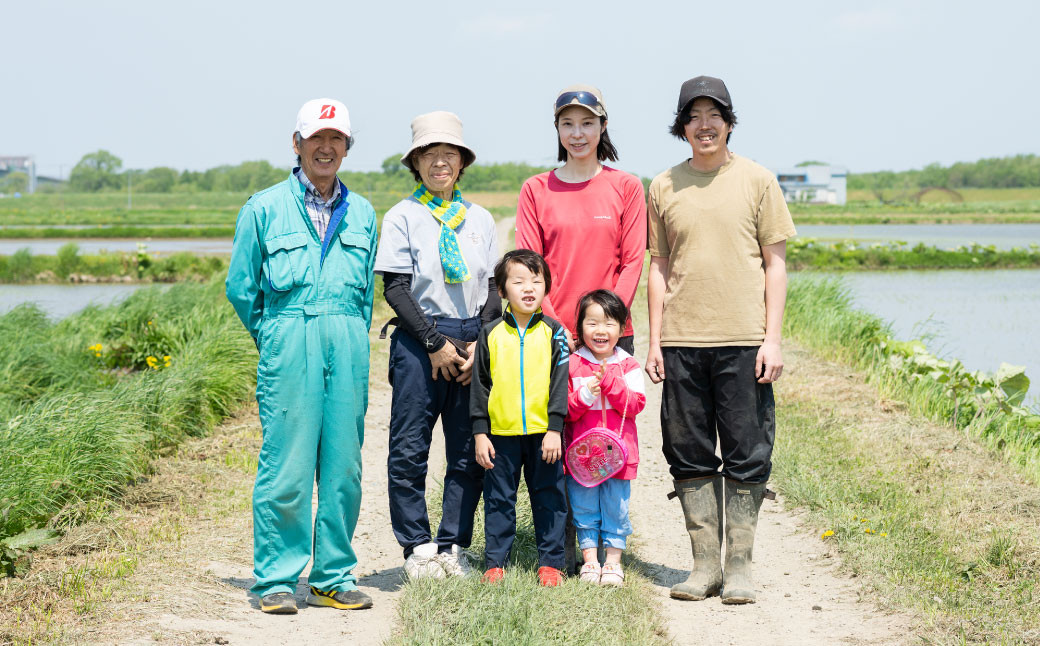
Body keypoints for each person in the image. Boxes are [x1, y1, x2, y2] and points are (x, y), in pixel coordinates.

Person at [644, 76, 796, 604]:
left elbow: (776, 266)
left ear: (729, 122)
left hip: (743, 340)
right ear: (682, 126)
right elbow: (658, 267)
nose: (704, 125)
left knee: (748, 451)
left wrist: (772, 339)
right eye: (694, 116)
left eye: (714, 115)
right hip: (683, 339)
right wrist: (654, 340)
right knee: (686, 450)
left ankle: (739, 567)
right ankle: (704, 565)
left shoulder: (758, 181)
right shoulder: (663, 185)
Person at [226, 98, 377, 614]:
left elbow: (364, 296)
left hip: (348, 342)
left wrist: (352, 337)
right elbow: (241, 287)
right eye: (316, 138)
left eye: (336, 139)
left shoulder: (362, 212)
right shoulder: (264, 207)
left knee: (344, 465)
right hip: (290, 339)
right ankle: (275, 579)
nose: (326, 147)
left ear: (347, 148)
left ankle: (333, 575)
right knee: (286, 465)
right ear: (297, 144)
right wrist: (272, 336)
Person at [375, 111, 500, 578]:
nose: (440, 163)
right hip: (418, 342)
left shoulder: (480, 219)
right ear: (416, 163)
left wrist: (476, 348)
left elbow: (491, 287)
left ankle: (453, 544)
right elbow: (395, 287)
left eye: (449, 154)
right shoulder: (403, 217)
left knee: (468, 449)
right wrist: (434, 342)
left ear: (462, 162)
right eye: (430, 155)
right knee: (409, 447)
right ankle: (418, 547)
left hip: (471, 339)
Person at [515, 84, 646, 354]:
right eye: (567, 124)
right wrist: (554, 324)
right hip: (552, 333)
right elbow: (530, 267)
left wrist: (607, 323)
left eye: (587, 123)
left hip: (611, 334)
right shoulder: (535, 189)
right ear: (557, 128)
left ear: (603, 125)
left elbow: (632, 263)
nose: (577, 134)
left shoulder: (627, 186)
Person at [469, 249, 570, 586]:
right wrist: (481, 433)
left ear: (546, 288)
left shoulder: (556, 333)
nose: (529, 288)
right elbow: (481, 385)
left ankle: (551, 563)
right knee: (498, 499)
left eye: (536, 281)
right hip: (501, 434)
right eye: (519, 281)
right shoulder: (490, 333)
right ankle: (496, 564)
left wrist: (555, 427)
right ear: (502, 290)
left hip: (545, 434)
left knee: (550, 497)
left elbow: (560, 383)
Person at [565, 290, 646, 586]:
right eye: (592, 323)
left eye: (610, 324)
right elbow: (566, 411)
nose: (601, 331)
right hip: (583, 455)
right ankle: (589, 560)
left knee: (616, 506)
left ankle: (612, 561)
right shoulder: (573, 364)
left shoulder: (628, 366)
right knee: (584, 504)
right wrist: (585, 394)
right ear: (580, 327)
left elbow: (635, 405)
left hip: (619, 453)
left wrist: (611, 382)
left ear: (622, 329)